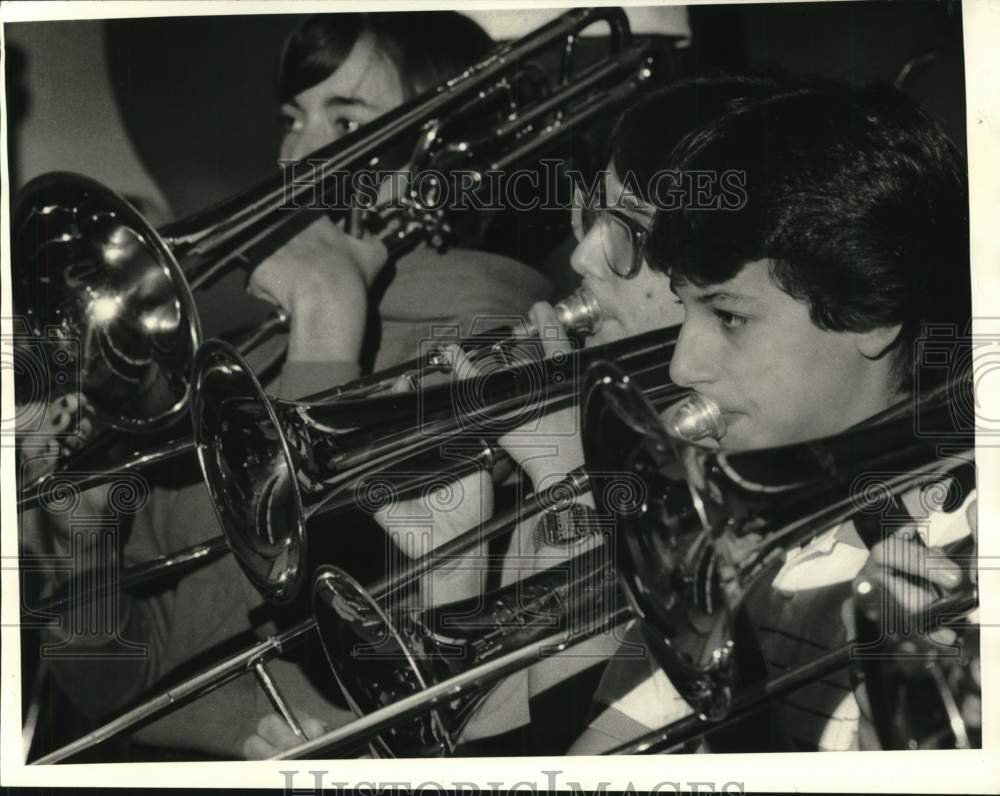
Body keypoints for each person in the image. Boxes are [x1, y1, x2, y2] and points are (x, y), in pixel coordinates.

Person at [33, 10, 553, 760]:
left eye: (349, 120)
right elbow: (111, 684)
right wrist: (85, 527)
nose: (300, 155)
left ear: (451, 161)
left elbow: (352, 654)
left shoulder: (489, 350)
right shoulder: (252, 348)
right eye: (294, 117)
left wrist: (325, 319)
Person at [239, 74, 784, 758]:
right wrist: (454, 576)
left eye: (632, 234)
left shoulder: (720, 516)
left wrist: (563, 491)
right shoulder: (577, 431)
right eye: (592, 215)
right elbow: (502, 746)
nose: (584, 253)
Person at [571, 79, 974, 752]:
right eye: (687, 307)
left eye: (728, 316)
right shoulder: (734, 539)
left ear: (869, 317)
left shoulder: (966, 539)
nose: (678, 367)